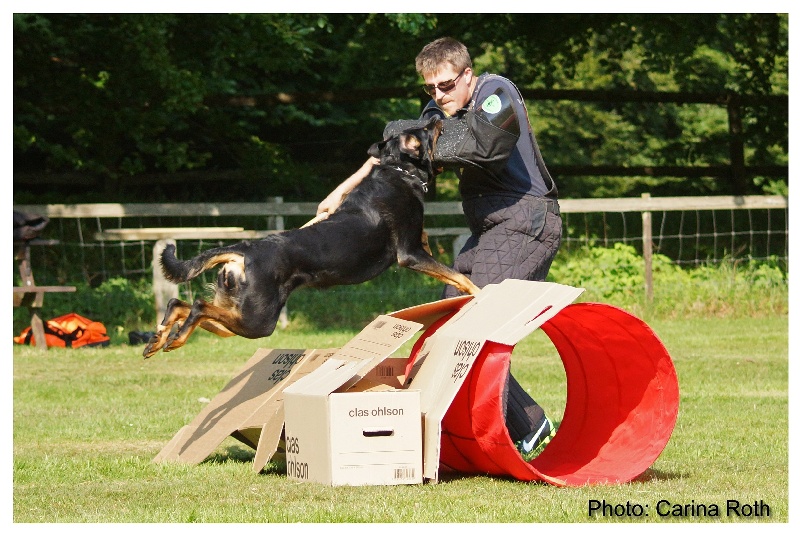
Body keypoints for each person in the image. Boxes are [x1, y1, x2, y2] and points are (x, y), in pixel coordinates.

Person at [317, 37, 561, 461]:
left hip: (527, 221)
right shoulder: (439, 112)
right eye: (430, 88)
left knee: (474, 329)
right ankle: (525, 423)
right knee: (447, 328)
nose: (439, 95)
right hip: (490, 229)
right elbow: (398, 147)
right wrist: (343, 190)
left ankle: (520, 427)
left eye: (446, 85)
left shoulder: (496, 92)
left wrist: (410, 134)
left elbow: (484, 145)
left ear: (467, 74)